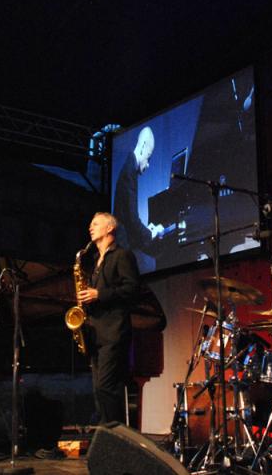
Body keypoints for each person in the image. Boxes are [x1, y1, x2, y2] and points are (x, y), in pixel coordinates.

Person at [77, 212, 143, 424]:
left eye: (95, 224)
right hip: (96, 331)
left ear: (109, 229)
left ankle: (116, 438)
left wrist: (99, 294)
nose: (90, 227)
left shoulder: (122, 255)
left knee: (107, 387)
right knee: (98, 389)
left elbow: (132, 289)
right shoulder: (97, 259)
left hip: (114, 332)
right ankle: (107, 436)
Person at [113, 127, 165, 258]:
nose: (148, 165)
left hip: (124, 243)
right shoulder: (129, 173)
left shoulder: (129, 168)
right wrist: (151, 233)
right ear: (143, 147)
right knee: (151, 263)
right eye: (149, 157)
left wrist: (147, 230)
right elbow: (132, 221)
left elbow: (130, 219)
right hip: (123, 248)